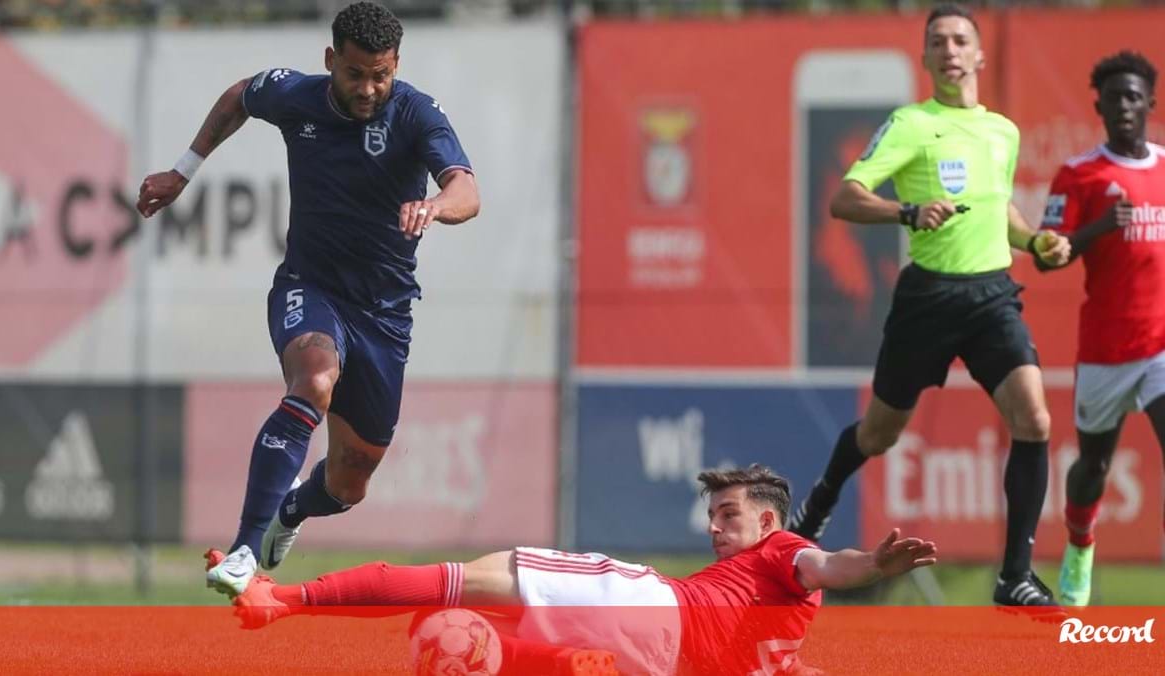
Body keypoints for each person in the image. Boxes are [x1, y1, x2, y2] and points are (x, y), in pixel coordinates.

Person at [136, 2, 480, 596]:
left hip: (385, 315)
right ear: (330, 61)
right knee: (315, 379)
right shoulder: (296, 96)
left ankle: (290, 511)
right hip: (309, 287)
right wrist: (183, 171)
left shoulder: (416, 114)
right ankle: (244, 549)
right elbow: (241, 95)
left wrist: (436, 208)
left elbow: (466, 189)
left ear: (396, 65)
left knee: (351, 481)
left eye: (382, 74)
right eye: (355, 74)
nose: (370, 88)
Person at [786, 3, 1072, 607]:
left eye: (960, 39)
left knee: (1035, 419)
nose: (949, 49)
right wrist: (906, 211)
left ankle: (1013, 575)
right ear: (925, 58)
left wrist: (1034, 241)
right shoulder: (911, 123)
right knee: (879, 434)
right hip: (928, 300)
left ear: (978, 55)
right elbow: (845, 197)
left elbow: (1002, 213)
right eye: (937, 41)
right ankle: (817, 506)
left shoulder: (1003, 131)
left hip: (993, 296)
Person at [228, 464, 936, 675]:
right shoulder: (778, 628)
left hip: (650, 610)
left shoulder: (782, 552)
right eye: (713, 514)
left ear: (768, 524)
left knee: (458, 580)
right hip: (655, 662)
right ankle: (563, 662)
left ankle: (282, 599)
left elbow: (826, 564)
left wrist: (871, 563)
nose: (716, 527)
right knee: (441, 627)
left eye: (729, 515)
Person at [1036, 51, 1163, 607]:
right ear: (1100, 107)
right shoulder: (1079, 174)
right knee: (1094, 466)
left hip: (1160, 345)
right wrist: (1092, 231)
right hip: (1107, 351)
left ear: (1151, 104)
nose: (1125, 106)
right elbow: (1046, 256)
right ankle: (1080, 543)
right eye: (1115, 97)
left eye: (1134, 96)